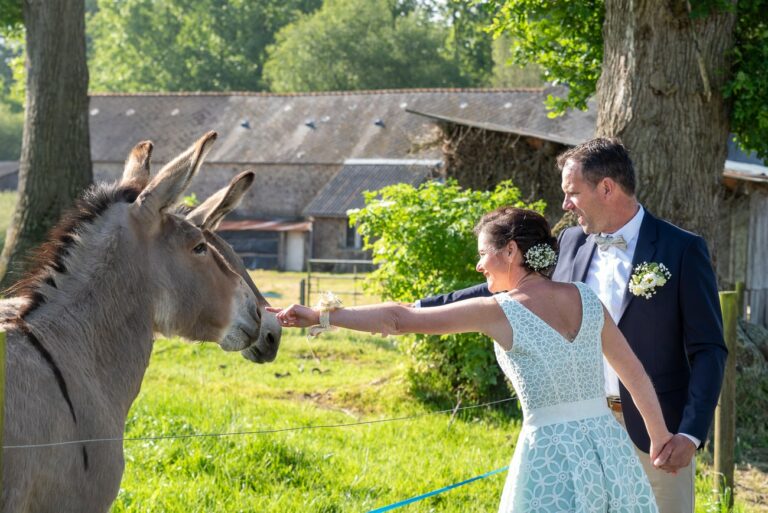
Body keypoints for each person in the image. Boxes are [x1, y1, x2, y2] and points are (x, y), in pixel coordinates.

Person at [269, 207, 671, 512]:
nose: (478, 265)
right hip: (607, 449)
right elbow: (633, 372)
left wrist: (322, 316)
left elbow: (399, 319)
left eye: (483, 254)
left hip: (550, 455)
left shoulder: (498, 310)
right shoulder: (586, 296)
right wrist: (658, 437)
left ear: (511, 251)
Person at [417, 138, 728, 513]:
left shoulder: (681, 250)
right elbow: (503, 284)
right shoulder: (569, 243)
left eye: (572, 193)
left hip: (657, 433)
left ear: (607, 188)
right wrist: (417, 309)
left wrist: (690, 434)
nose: (564, 204)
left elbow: (709, 350)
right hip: (580, 433)